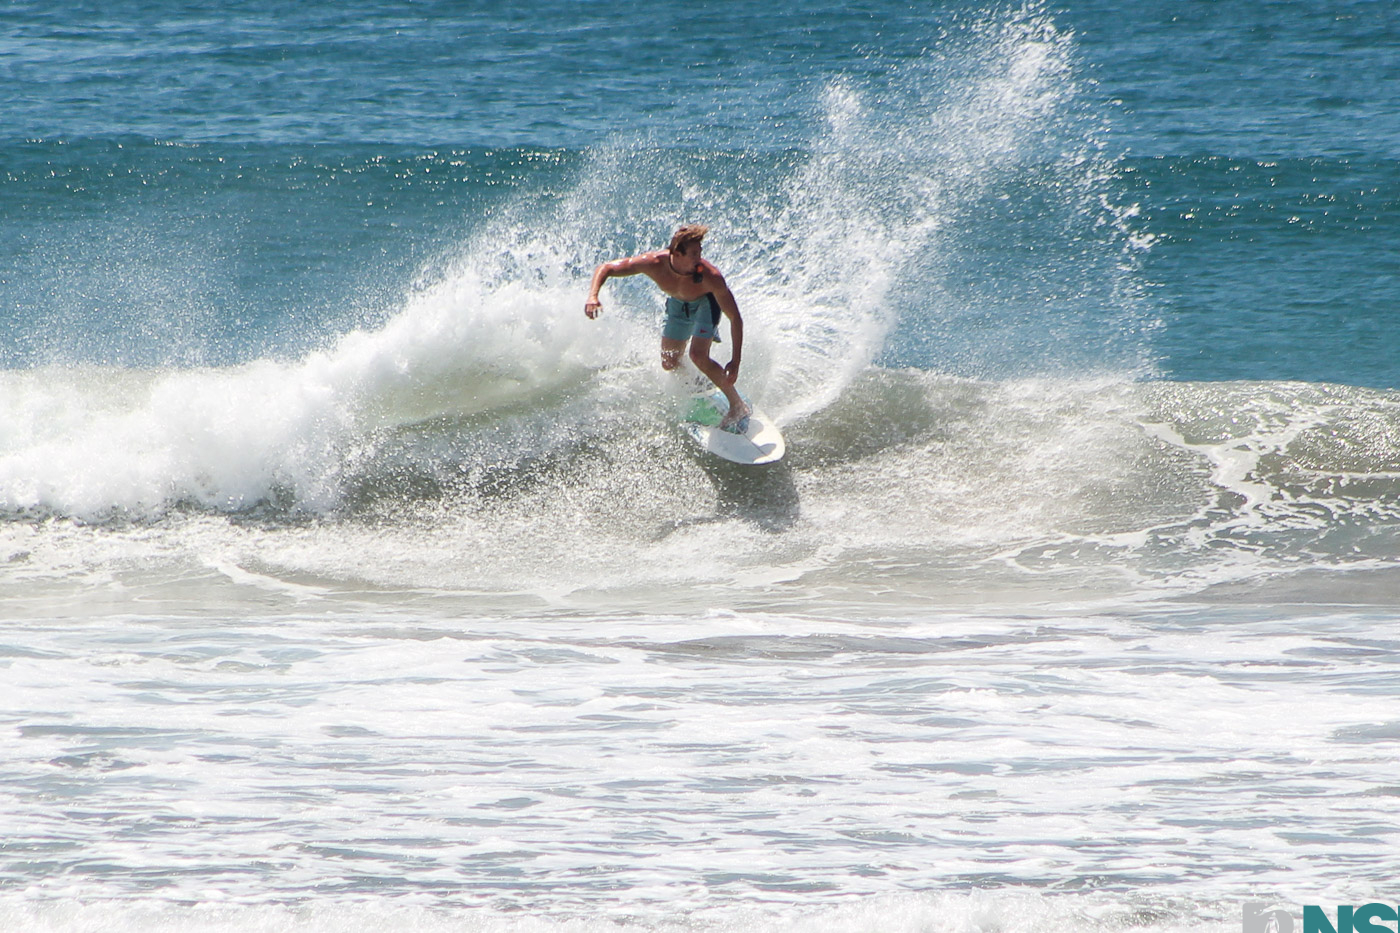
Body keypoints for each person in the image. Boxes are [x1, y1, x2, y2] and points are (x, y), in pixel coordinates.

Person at [584, 224, 750, 430]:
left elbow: (735, 318)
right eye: (693, 254)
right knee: (669, 362)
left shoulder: (711, 277)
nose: (699, 259)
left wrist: (735, 361)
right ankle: (702, 381)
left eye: (700, 253)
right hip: (678, 305)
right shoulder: (653, 263)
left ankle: (737, 405)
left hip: (706, 305)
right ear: (677, 253)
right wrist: (593, 295)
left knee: (698, 355)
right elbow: (607, 268)